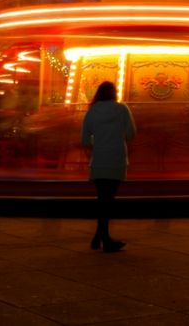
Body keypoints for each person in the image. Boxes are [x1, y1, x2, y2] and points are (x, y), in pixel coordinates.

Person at [80, 81, 136, 252]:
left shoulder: (92, 111)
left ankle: (99, 237)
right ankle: (104, 239)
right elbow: (131, 133)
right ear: (114, 93)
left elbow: (84, 139)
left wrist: (95, 146)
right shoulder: (122, 109)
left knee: (102, 199)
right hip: (116, 158)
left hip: (99, 159)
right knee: (108, 200)